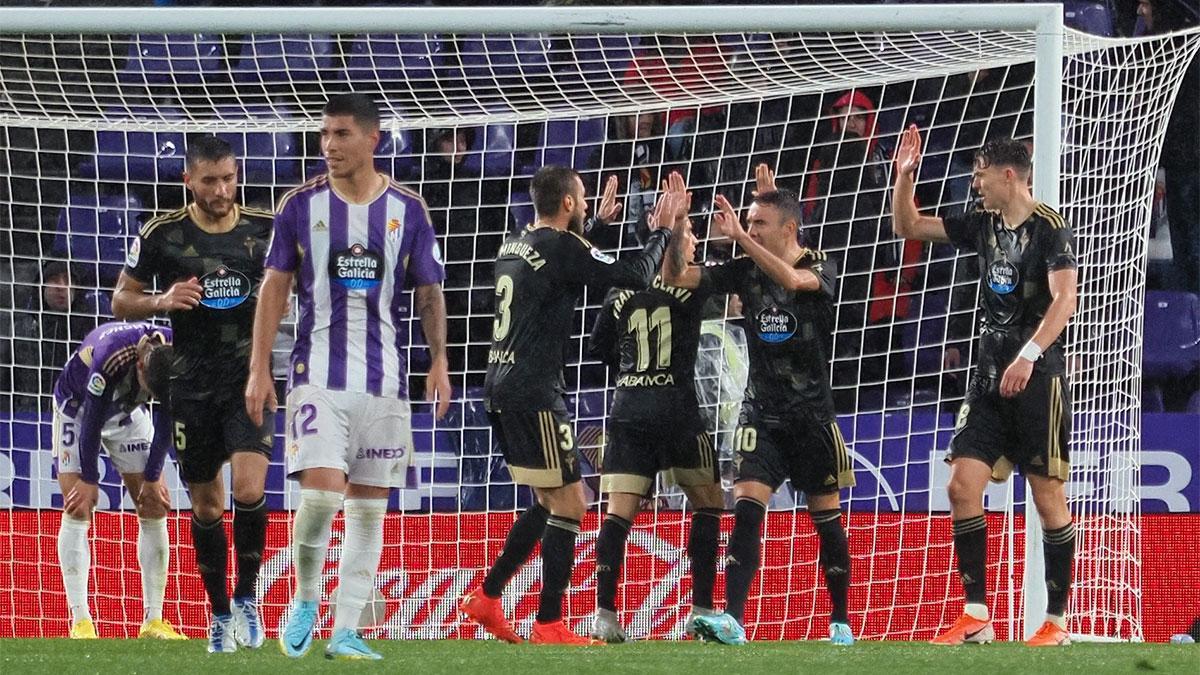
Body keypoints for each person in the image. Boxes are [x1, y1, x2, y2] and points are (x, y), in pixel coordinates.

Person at [244, 93, 451, 661]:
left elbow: (429, 291)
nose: (328, 146)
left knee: (367, 510)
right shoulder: (300, 205)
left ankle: (346, 629)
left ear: (372, 139)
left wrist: (439, 359)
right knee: (319, 498)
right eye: (324, 134)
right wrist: (259, 367)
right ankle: (306, 598)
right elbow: (274, 288)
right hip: (317, 375)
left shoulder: (408, 209)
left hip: (386, 383)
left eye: (340, 134)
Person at [458, 165, 672, 646]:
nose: (588, 204)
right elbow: (635, 275)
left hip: (499, 386)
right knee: (573, 503)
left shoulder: (515, 243)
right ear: (569, 203)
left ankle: (488, 597)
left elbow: (559, 265)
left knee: (548, 500)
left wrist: (597, 227)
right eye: (584, 198)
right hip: (535, 392)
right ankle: (549, 622)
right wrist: (661, 230)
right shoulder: (561, 246)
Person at [892, 127, 1078, 647]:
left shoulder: (1051, 231)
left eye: (980, 175)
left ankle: (1056, 622)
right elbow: (908, 225)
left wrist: (1028, 355)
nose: (975, 184)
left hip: (1038, 379)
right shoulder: (983, 224)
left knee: (1047, 498)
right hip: (987, 381)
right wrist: (904, 176)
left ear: (1008, 175)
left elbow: (1065, 300)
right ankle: (976, 615)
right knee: (960, 487)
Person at [661, 181, 856, 647]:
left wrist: (740, 239)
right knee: (746, 510)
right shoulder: (744, 271)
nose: (749, 230)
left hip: (812, 417)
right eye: (747, 223)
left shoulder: (820, 264)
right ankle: (732, 619)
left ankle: (841, 621)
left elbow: (792, 281)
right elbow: (676, 278)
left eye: (759, 223)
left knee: (827, 521)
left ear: (789, 228)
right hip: (760, 414)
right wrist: (675, 227)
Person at [113, 135, 275, 653]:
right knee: (207, 507)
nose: (221, 190)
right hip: (190, 385)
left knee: (248, 489)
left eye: (228, 178)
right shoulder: (162, 234)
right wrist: (162, 299)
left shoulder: (265, 229)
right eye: (209, 181)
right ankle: (220, 614)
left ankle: (247, 599)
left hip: (249, 381)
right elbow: (121, 300)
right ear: (188, 181)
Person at [585, 174, 726, 643]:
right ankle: (701, 610)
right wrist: (676, 223)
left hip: (630, 408)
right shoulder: (691, 283)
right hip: (678, 410)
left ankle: (605, 615)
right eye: (690, 232)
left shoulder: (621, 287)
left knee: (617, 516)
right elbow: (680, 273)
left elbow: (599, 348)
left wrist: (633, 372)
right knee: (709, 505)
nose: (695, 239)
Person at [52, 321, 183, 641]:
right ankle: (81, 622)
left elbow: (169, 415)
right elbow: (92, 420)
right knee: (78, 505)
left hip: (127, 413)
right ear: (139, 365)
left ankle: (153, 621)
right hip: (78, 409)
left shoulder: (178, 356)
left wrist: (152, 475)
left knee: (154, 503)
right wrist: (89, 477)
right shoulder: (111, 356)